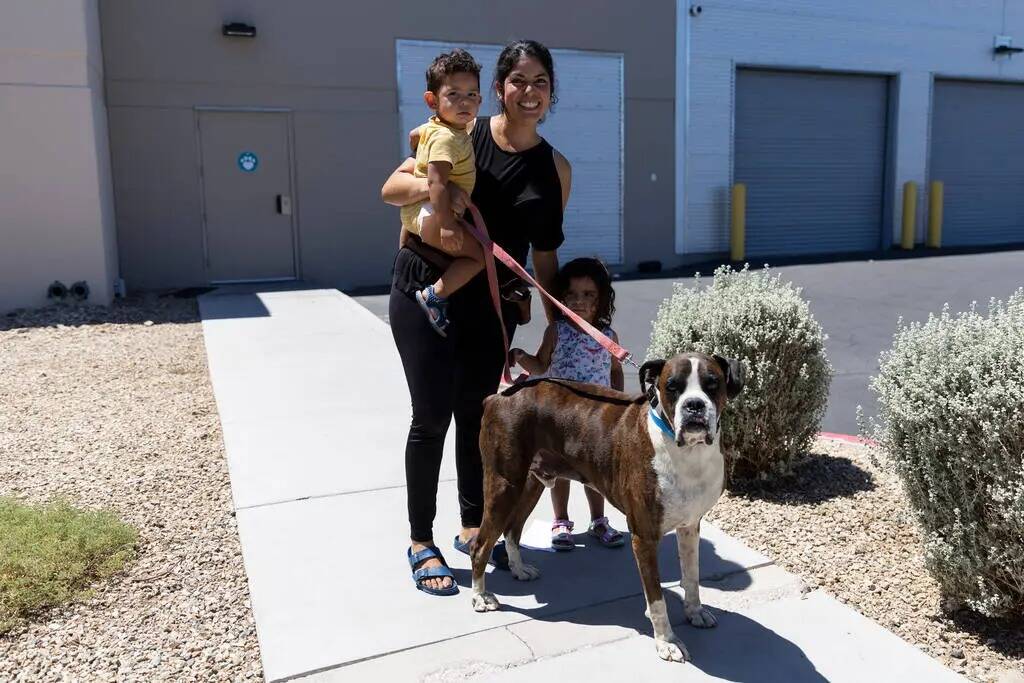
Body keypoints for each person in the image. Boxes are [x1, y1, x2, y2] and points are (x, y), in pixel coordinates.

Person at [380, 40, 571, 596]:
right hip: (424, 286)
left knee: (477, 418)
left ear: (551, 91)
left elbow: (544, 253)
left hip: (494, 303)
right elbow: (391, 189)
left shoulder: (555, 169)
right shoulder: (460, 130)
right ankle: (421, 541)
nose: (528, 92)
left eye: (540, 82)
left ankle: (472, 525)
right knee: (431, 415)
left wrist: (556, 314)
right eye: (518, 80)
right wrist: (439, 190)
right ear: (499, 87)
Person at [510, 257, 626, 551]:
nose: (579, 302)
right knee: (558, 470)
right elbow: (539, 366)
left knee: (594, 472)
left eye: (588, 295)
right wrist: (520, 356)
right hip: (559, 419)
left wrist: (620, 403)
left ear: (601, 300)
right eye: (572, 295)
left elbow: (615, 369)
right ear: (561, 298)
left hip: (595, 419)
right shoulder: (556, 332)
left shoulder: (608, 337)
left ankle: (599, 520)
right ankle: (560, 520)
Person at [398, 49, 485, 337]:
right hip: (434, 212)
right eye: (454, 95)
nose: (465, 102)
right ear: (432, 100)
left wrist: (417, 133)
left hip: (423, 212)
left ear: (481, 100)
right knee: (477, 258)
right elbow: (436, 183)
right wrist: (447, 225)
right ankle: (434, 295)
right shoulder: (447, 138)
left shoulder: (442, 127)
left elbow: (421, 131)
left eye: (472, 95)